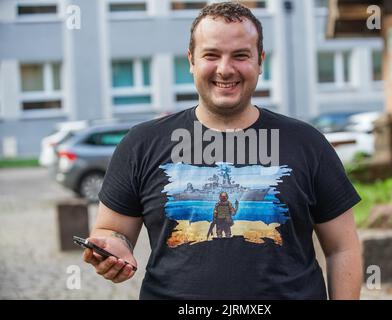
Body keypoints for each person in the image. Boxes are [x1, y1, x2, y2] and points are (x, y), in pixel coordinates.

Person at [83, 1, 362, 299]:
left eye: (240, 55)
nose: (225, 69)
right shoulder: (141, 144)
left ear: (260, 61)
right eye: (211, 55)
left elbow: (343, 248)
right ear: (191, 60)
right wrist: (111, 246)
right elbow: (112, 231)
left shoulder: (307, 143)